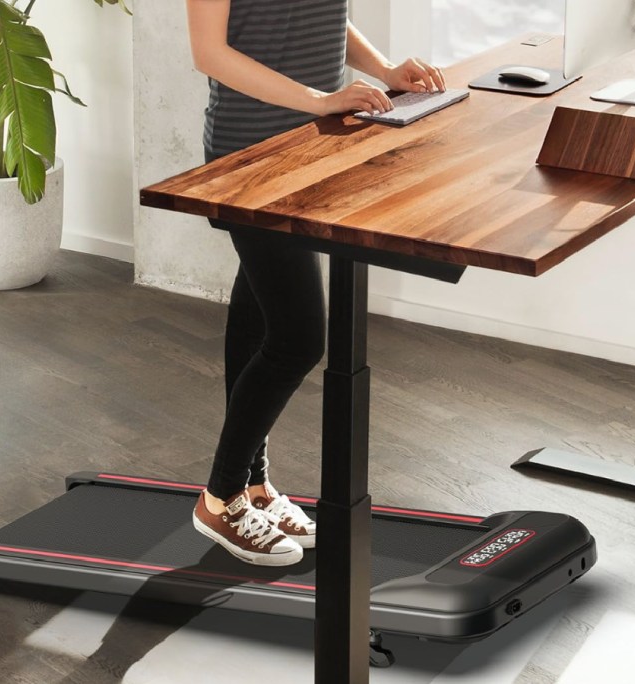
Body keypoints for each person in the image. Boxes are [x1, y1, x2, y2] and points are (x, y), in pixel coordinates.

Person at [185, 0, 446, 566]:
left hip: (316, 139)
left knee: (260, 308)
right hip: (251, 154)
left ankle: (251, 486)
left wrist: (384, 71)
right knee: (299, 337)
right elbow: (209, 51)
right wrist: (319, 99)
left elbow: (323, 14)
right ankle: (220, 495)